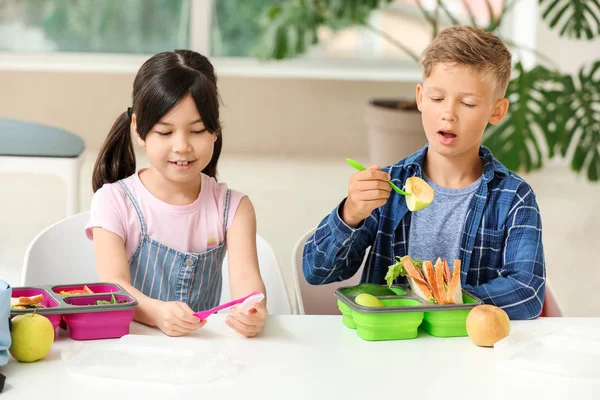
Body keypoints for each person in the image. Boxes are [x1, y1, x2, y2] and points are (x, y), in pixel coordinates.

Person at [302, 26, 546, 320]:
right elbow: (316, 270)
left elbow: (528, 294)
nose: (449, 114)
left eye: (468, 103)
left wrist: (441, 301)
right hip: (388, 346)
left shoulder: (514, 197)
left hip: (468, 352)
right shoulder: (390, 186)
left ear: (496, 111)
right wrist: (351, 213)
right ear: (420, 97)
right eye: (437, 98)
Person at [86, 50, 267, 337]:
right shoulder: (113, 201)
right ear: (139, 129)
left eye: (196, 131)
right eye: (165, 132)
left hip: (202, 355)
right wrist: (157, 313)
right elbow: (114, 286)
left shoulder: (234, 207)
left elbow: (246, 280)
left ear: (215, 129)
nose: (182, 146)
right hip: (132, 350)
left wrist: (252, 310)